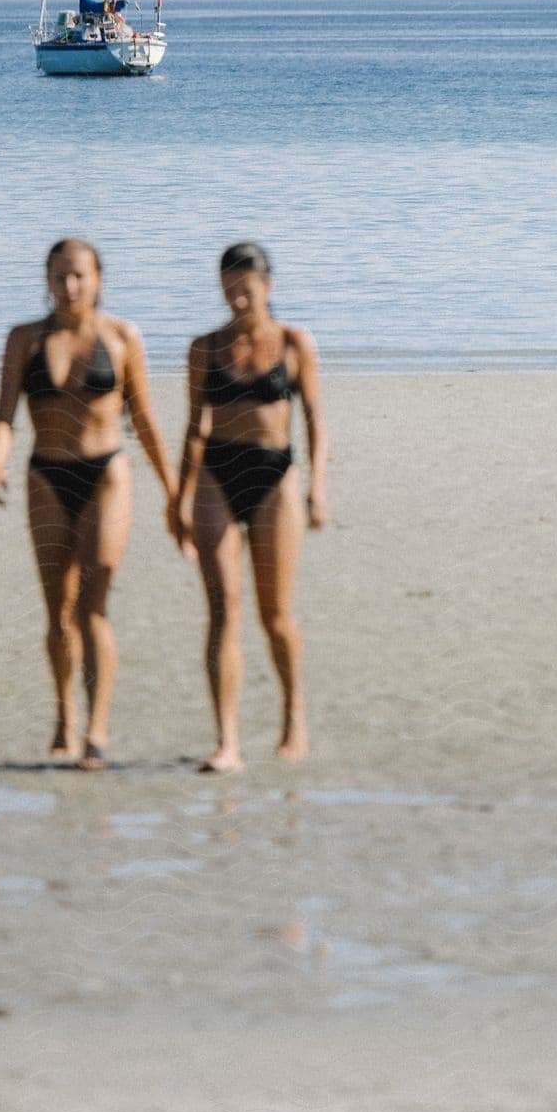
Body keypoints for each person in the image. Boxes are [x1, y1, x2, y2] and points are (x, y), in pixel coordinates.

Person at [0, 237, 184, 770]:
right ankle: (63, 716)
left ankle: (95, 732)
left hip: (106, 476)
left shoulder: (121, 337)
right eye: (59, 277)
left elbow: (143, 419)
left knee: (94, 605)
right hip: (46, 475)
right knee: (58, 612)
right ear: (46, 281)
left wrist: (173, 492)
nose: (69, 287)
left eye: (79, 276)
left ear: (98, 279)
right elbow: (6, 411)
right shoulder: (25, 339)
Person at [176, 242, 327, 771]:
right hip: (217, 478)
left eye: (248, 290)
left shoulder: (293, 344)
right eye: (229, 290)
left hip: (275, 478)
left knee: (275, 614)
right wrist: (180, 495)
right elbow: (195, 427)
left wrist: (317, 486)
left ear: (268, 287)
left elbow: (315, 419)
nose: (239, 301)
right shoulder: (205, 348)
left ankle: (293, 715)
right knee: (223, 611)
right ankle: (228, 742)